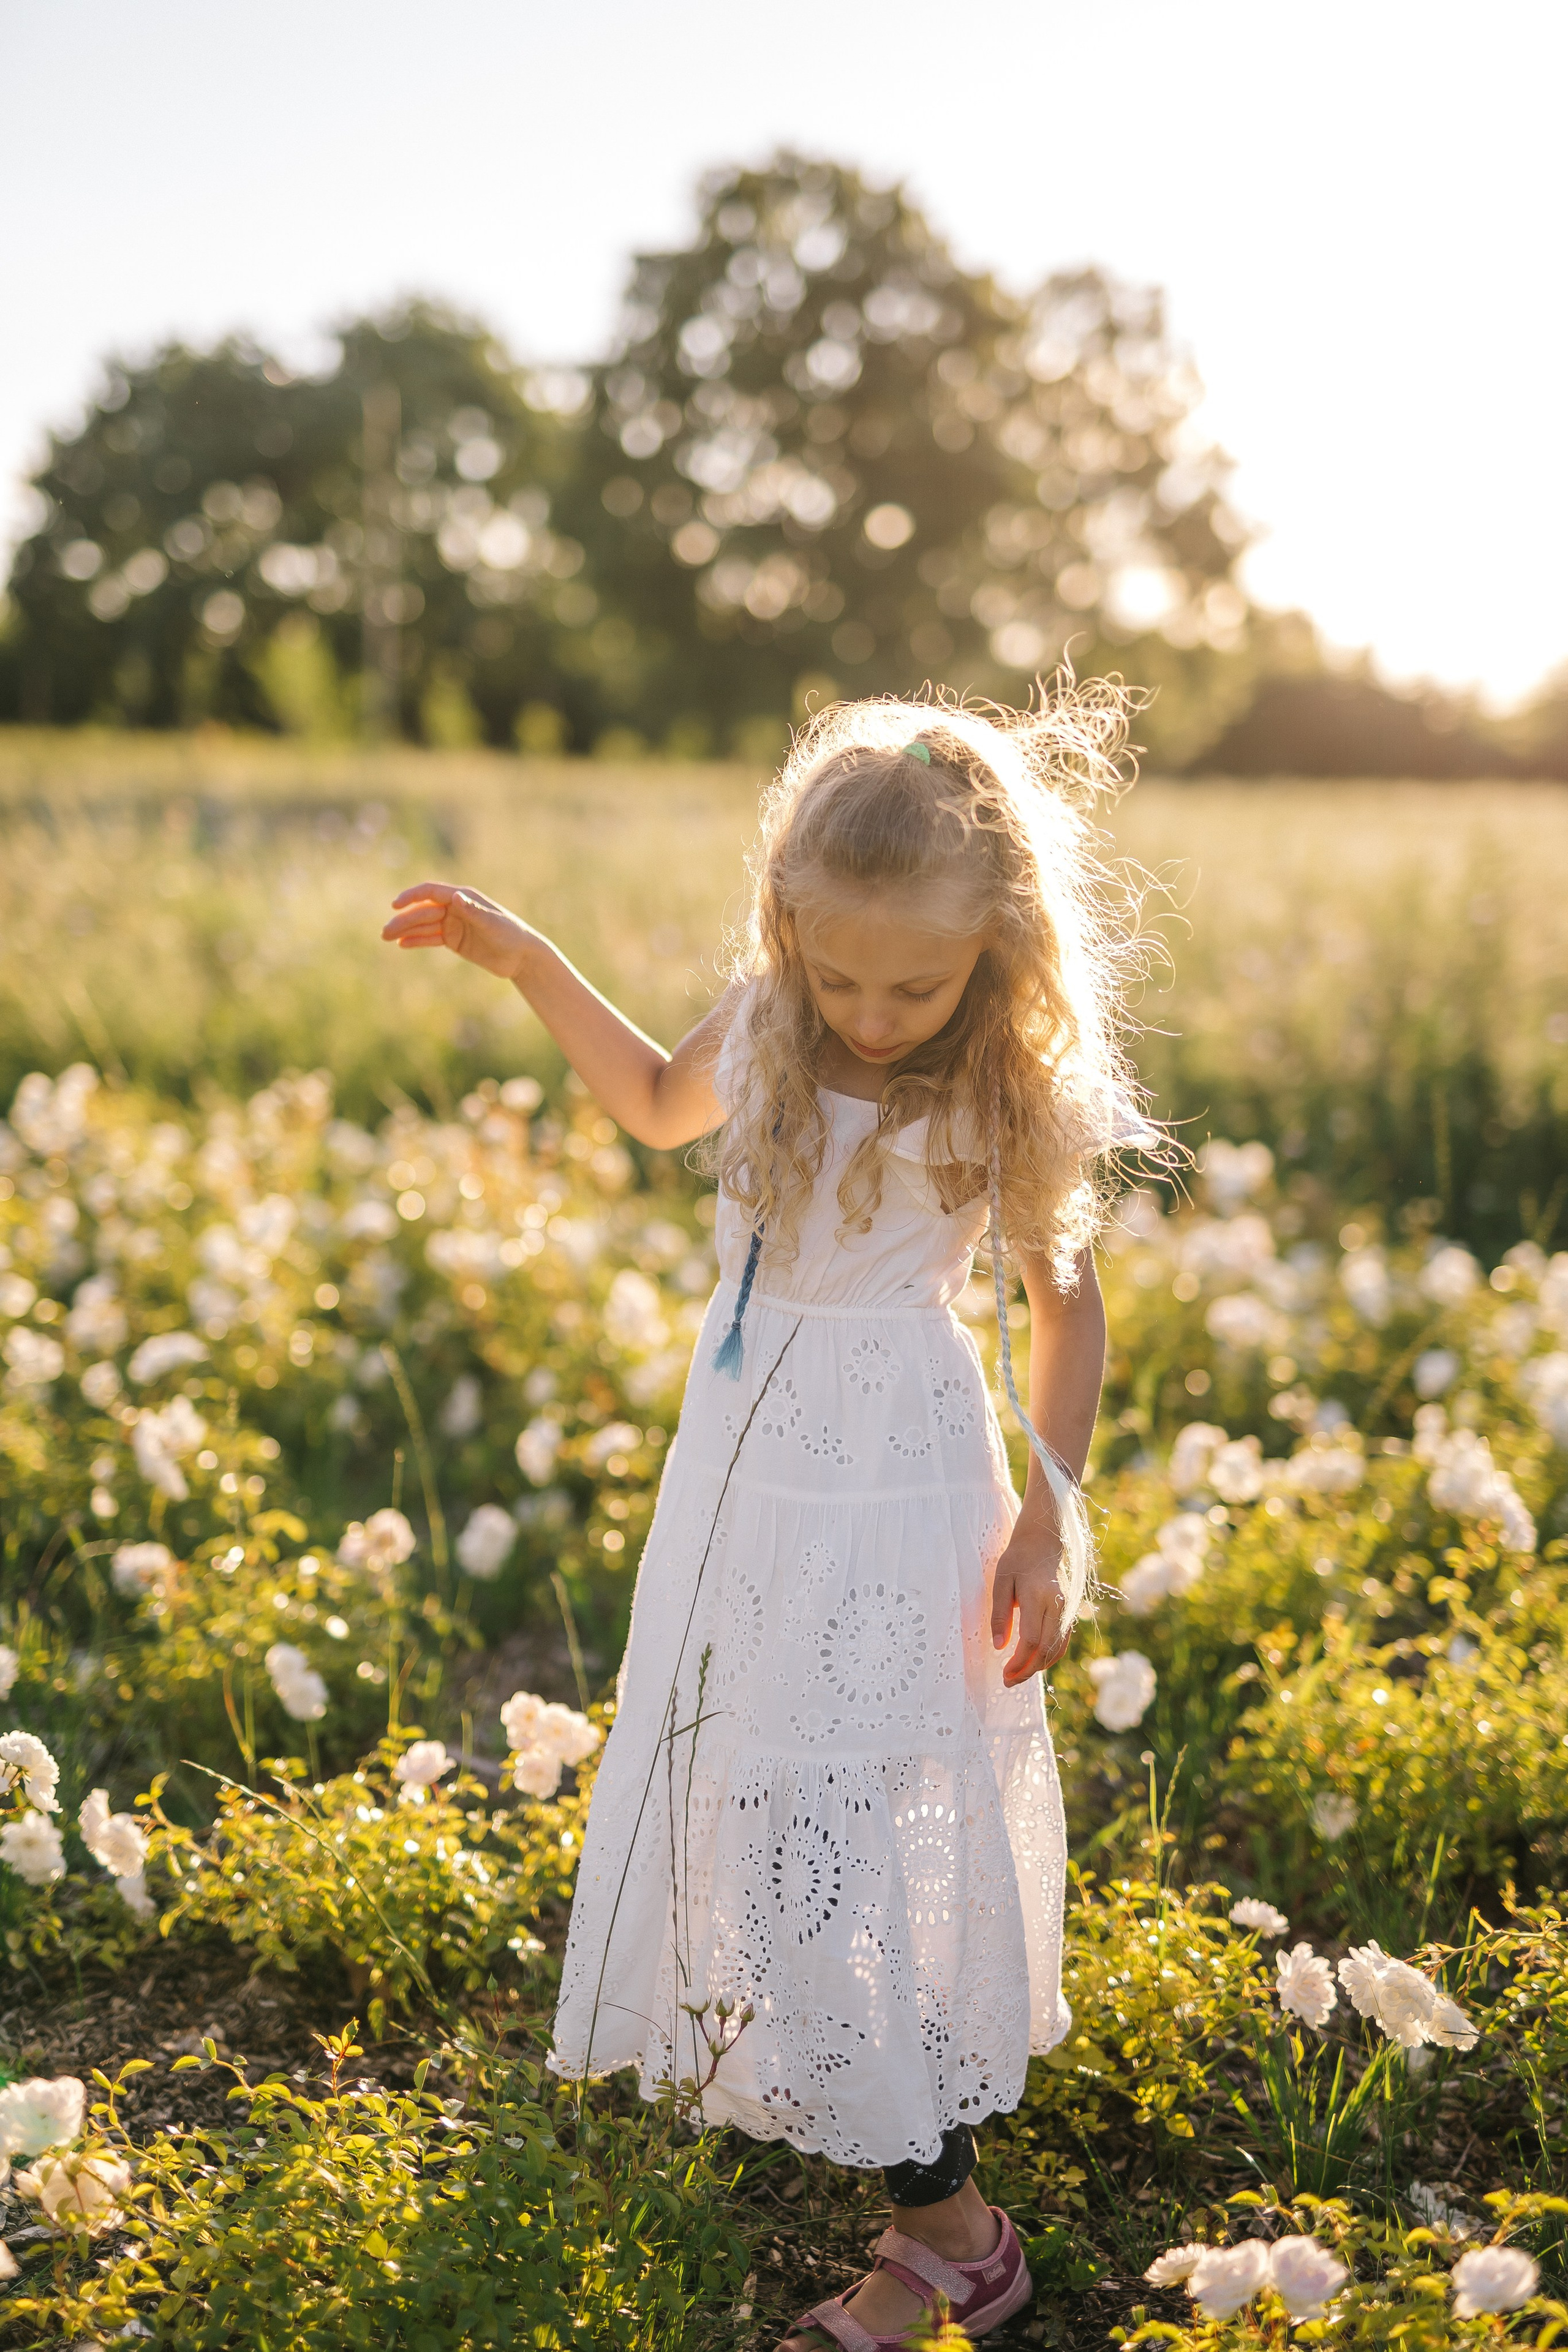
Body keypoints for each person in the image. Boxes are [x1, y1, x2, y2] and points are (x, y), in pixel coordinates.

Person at [383, 687, 1152, 2350]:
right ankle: (875, 2111)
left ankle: (950, 2229)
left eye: (915, 986)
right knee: (752, 1784)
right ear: (790, 932)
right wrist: (528, 962)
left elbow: (1068, 1309)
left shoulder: (1004, 1086)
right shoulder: (769, 1024)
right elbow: (654, 1100)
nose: (871, 1016)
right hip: (748, 1469)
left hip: (902, 1479)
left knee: (849, 1808)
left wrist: (1049, 1520)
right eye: (838, 975)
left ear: (998, 946)